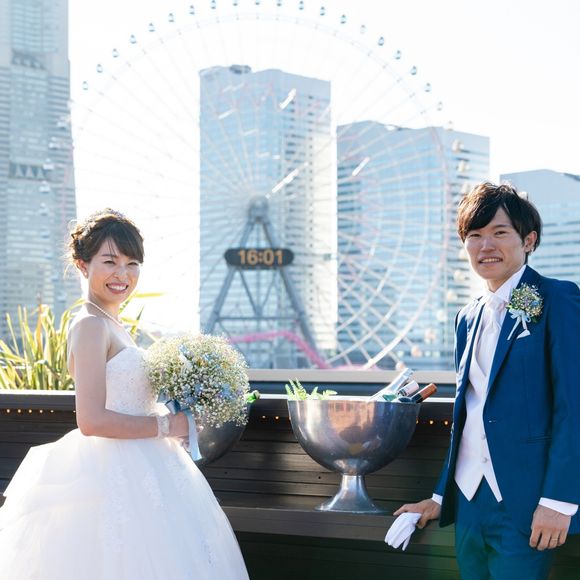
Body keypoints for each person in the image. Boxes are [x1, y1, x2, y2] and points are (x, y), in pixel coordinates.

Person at [0, 209, 249, 580]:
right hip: (112, 471)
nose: (123, 274)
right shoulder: (90, 325)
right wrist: (170, 425)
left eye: (132, 263)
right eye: (110, 261)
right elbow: (91, 420)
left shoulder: (114, 325)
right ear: (83, 265)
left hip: (147, 465)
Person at [394, 182, 580, 579]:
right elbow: (470, 415)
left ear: (528, 240)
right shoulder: (467, 317)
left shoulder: (556, 299)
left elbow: (574, 406)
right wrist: (440, 497)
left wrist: (559, 501)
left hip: (528, 504)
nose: (486, 246)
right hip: (468, 502)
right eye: (474, 235)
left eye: (500, 232)